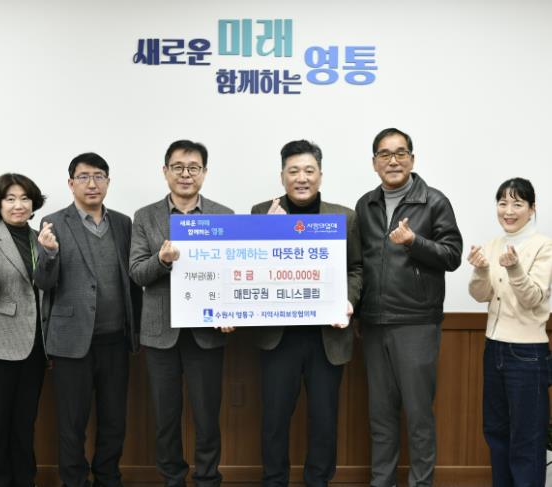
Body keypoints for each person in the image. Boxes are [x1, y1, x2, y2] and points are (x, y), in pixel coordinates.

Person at [251, 140, 363, 487]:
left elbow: (356, 269)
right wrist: (269, 232)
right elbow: (250, 267)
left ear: (320, 175)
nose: (302, 178)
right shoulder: (261, 213)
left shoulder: (343, 217)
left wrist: (349, 300)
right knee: (274, 420)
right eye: (294, 171)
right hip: (279, 337)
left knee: (324, 420)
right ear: (282, 176)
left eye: (309, 171)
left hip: (326, 337)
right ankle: (274, 481)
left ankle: (319, 481)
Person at [355, 128, 463, 487]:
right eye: (385, 154)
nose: (393, 161)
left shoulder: (434, 201)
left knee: (418, 417)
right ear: (374, 163)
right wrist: (358, 312)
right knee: (380, 418)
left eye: (400, 153)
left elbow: (452, 255)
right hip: (374, 324)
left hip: (416, 322)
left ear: (412, 159)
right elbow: (360, 264)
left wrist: (414, 241)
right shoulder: (365, 205)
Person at [129, 139, 234, 487]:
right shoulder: (145, 216)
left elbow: (233, 273)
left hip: (207, 332)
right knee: (166, 417)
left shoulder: (224, 215)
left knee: (207, 416)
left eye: (193, 168)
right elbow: (137, 273)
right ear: (165, 171)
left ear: (204, 172)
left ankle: (208, 479)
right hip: (161, 332)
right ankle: (172, 478)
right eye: (178, 167)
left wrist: (231, 311)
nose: (186, 174)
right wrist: (161, 260)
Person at [34, 153, 141, 487]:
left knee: (114, 421)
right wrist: (49, 254)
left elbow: (132, 278)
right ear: (71, 183)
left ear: (108, 182)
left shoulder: (123, 223)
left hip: (115, 339)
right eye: (83, 177)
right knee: (72, 424)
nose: (92, 183)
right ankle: (74, 481)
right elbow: (43, 282)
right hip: (71, 341)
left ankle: (108, 478)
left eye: (99, 176)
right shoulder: (53, 222)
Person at [468, 177, 552, 486]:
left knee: (527, 438)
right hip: (494, 348)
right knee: (496, 432)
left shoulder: (544, 246)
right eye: (503, 203)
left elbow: (533, 298)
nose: (508, 211)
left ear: (532, 208)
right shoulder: (494, 245)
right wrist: (480, 269)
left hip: (527, 354)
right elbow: (480, 294)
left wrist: (515, 268)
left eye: (517, 204)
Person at [0, 173, 47, 487]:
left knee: (24, 424)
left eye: (25, 198)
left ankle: (25, 481)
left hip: (36, 345)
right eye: (10, 199)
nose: (19, 205)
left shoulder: (41, 238)